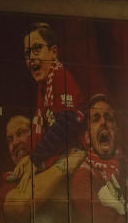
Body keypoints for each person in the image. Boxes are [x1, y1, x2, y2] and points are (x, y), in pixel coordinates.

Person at [0, 114, 86, 223]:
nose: (15, 143)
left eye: (21, 133)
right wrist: (64, 165)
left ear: (38, 134)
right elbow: (20, 206)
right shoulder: (10, 180)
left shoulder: (62, 156)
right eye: (9, 140)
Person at [69, 94, 128, 223]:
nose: (103, 122)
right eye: (96, 119)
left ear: (116, 130)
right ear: (88, 137)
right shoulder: (82, 178)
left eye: (109, 118)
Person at [21, 21, 85, 170]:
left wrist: (35, 159)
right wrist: (29, 159)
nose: (31, 57)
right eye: (27, 53)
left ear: (54, 52)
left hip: (77, 158)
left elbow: (66, 124)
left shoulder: (60, 77)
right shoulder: (43, 88)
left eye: (36, 49)